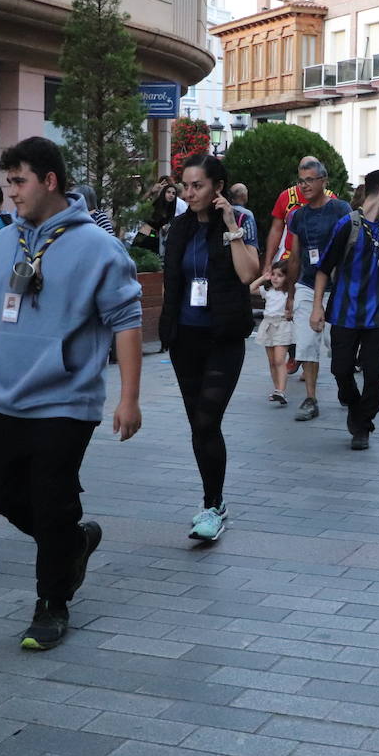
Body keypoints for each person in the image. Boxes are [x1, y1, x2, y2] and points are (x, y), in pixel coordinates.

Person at [0, 136, 142, 651]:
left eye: (19, 182)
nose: (11, 193)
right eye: (6, 183)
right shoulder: (4, 242)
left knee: (50, 499)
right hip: (7, 394)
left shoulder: (98, 247)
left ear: (50, 181)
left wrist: (129, 398)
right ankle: (72, 541)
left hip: (68, 400)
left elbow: (127, 322)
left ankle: (51, 603)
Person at [160, 153, 259, 540]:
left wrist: (231, 223)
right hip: (186, 337)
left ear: (218, 187)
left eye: (197, 185)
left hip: (224, 337)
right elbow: (173, 280)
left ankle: (213, 505)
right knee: (197, 425)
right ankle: (213, 501)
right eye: (186, 185)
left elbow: (249, 273)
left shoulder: (239, 221)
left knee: (206, 420)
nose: (189, 192)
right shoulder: (180, 227)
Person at [311, 169, 379, 450]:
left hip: (378, 315)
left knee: (374, 373)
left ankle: (362, 426)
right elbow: (323, 269)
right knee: (341, 370)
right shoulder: (347, 225)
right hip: (344, 312)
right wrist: (317, 307)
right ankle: (356, 410)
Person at [286, 158, 351, 420]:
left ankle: (345, 388)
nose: (305, 186)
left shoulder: (340, 209)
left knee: (338, 346)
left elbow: (350, 247)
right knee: (306, 342)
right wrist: (290, 295)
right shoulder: (298, 215)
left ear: (324, 181)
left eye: (310, 180)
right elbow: (294, 256)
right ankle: (311, 398)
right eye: (301, 181)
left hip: (337, 289)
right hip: (307, 285)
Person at [256, 260, 295, 404]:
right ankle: (277, 389)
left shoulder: (289, 294)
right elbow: (250, 288)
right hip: (268, 325)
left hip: (282, 325)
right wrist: (263, 277)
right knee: (272, 362)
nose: (275, 278)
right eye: (273, 274)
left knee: (279, 360)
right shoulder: (268, 291)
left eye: (280, 275)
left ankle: (281, 390)